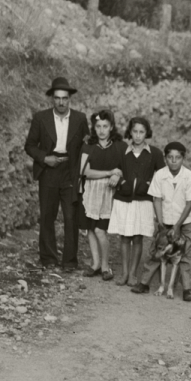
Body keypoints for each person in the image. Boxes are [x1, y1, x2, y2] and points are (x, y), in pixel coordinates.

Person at [23, 76, 89, 269]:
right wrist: (44, 158)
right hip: (49, 170)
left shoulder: (80, 118)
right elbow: (29, 146)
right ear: (52, 98)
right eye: (57, 98)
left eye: (65, 98)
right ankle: (48, 259)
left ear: (70, 99)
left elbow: (87, 145)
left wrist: (82, 171)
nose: (61, 102)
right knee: (47, 216)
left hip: (70, 171)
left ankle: (69, 261)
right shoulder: (41, 118)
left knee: (70, 217)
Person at [132, 142, 191, 301]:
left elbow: (190, 203)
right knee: (156, 249)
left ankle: (187, 289)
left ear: (183, 158)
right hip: (165, 219)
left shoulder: (189, 176)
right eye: (170, 157)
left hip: (186, 221)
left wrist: (177, 226)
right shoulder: (160, 175)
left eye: (178, 157)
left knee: (187, 253)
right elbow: (156, 199)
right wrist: (161, 224)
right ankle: (144, 282)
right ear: (165, 158)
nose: (174, 161)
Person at [108, 117, 165, 286]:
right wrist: (120, 180)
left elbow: (162, 176)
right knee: (125, 237)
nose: (138, 136)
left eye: (141, 132)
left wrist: (149, 185)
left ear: (146, 133)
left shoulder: (154, 153)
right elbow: (115, 170)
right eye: (135, 131)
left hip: (143, 200)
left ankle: (133, 273)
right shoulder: (122, 151)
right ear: (130, 132)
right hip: (124, 199)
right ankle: (124, 273)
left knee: (138, 238)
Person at [79, 110, 127, 281]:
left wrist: (118, 173)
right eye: (98, 126)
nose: (101, 130)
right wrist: (109, 172)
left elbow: (126, 167)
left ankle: (106, 266)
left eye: (105, 126)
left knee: (100, 230)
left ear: (111, 127)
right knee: (90, 229)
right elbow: (85, 171)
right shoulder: (88, 146)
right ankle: (95, 264)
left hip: (108, 193)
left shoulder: (120, 146)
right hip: (91, 192)